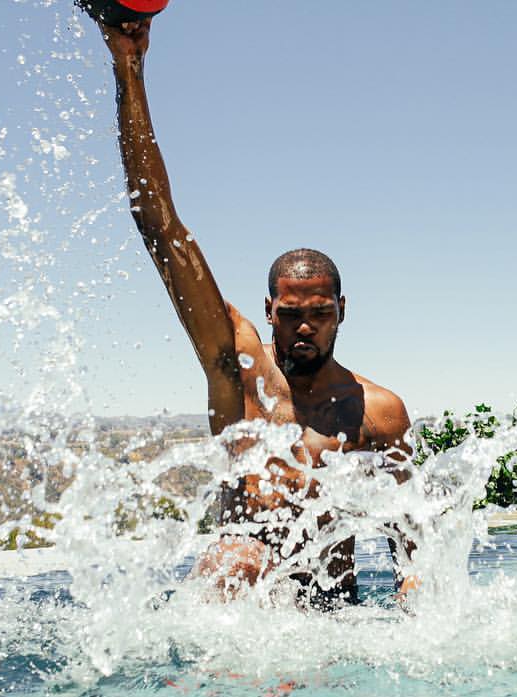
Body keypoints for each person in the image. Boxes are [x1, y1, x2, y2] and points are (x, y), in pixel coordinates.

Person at [84, 12, 414, 605]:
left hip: (331, 619)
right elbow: (158, 225)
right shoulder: (238, 375)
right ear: (269, 310)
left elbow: (412, 542)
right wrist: (129, 69)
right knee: (239, 556)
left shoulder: (380, 414)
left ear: (342, 311)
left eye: (320, 313)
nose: (305, 327)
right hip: (240, 622)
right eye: (290, 315)